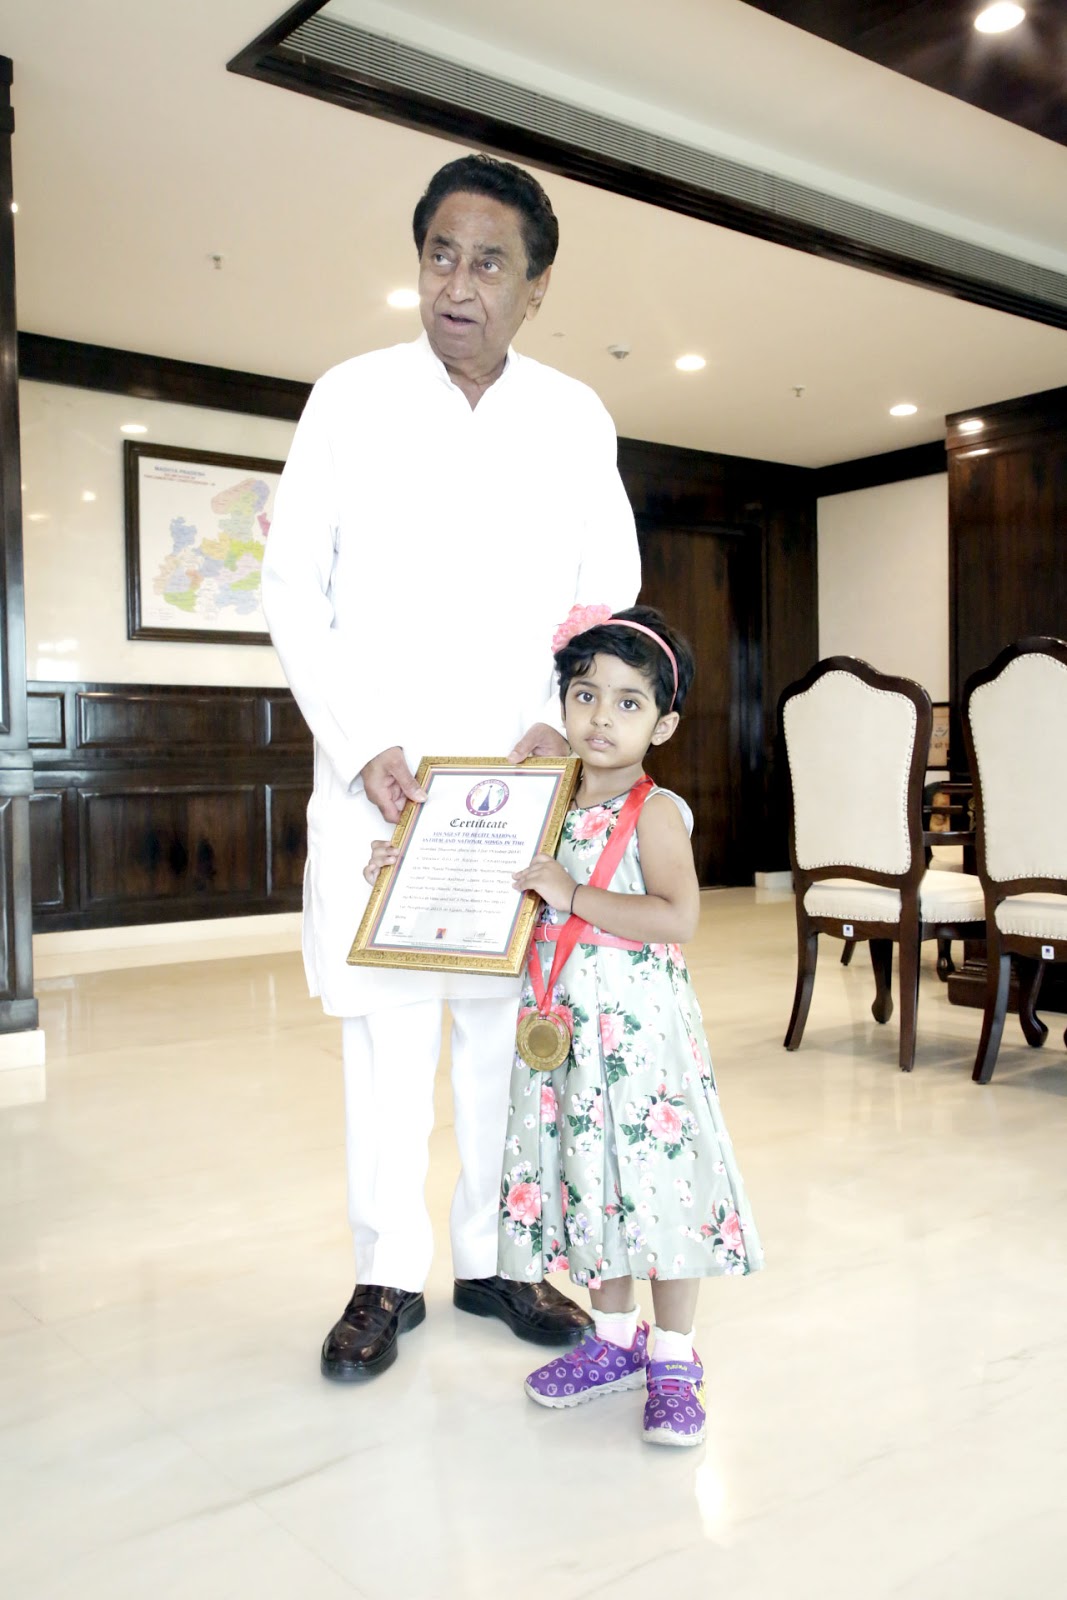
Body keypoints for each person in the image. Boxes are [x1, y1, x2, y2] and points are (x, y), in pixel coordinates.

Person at [262, 153, 640, 1382]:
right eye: (440, 256)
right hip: (383, 781)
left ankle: (494, 1260)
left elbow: (605, 592)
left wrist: (554, 723)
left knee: (499, 1032)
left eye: (488, 263)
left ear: (535, 287)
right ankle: (385, 1275)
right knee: (385, 1039)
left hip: (512, 788)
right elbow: (292, 591)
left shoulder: (573, 415)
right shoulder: (349, 398)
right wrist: (360, 739)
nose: (457, 285)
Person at [503, 603, 764, 1445]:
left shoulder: (652, 809)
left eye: (627, 702)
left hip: (641, 1042)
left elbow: (676, 916)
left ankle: (674, 1356)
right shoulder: (549, 800)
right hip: (567, 1037)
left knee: (658, 1185)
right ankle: (614, 1339)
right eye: (584, 696)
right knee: (593, 1181)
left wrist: (573, 893)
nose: (600, 718)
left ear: (663, 723)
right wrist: (416, 863)